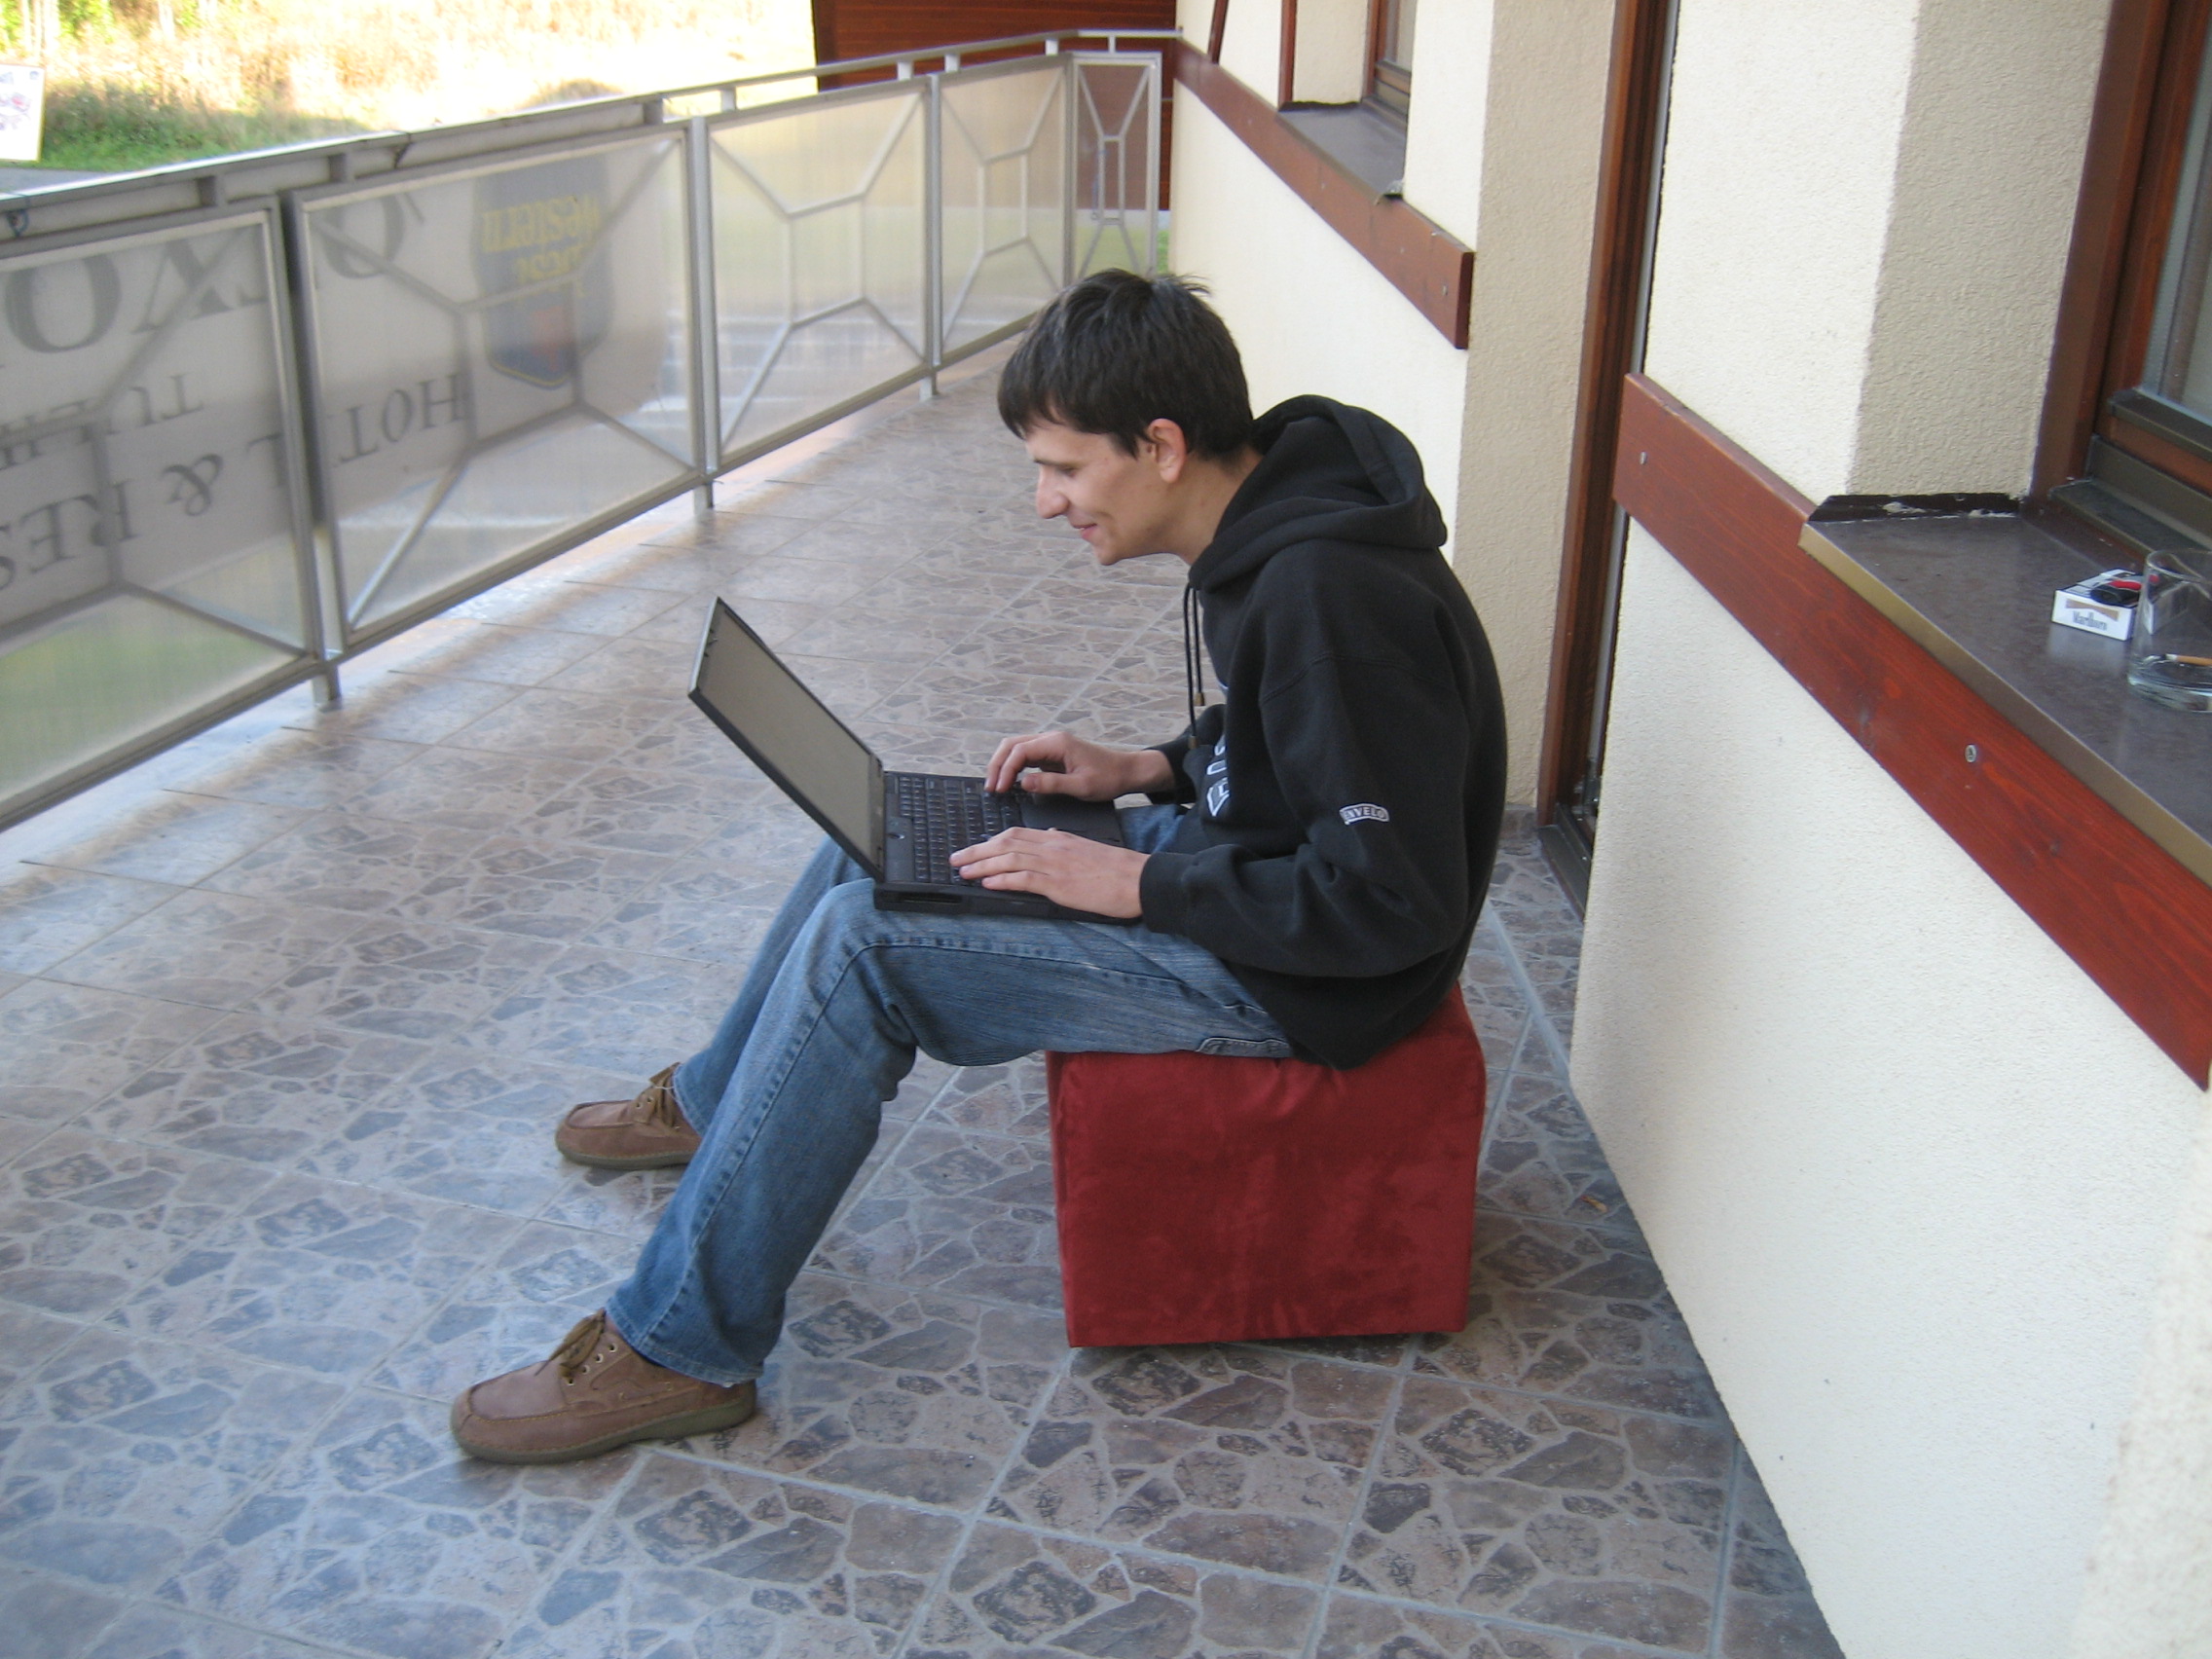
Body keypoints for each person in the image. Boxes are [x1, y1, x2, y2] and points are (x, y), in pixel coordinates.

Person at [449, 270, 1507, 1464]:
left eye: (1062, 470)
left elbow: (1388, 902)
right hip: (1244, 875)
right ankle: (714, 1107)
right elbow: (1297, 744)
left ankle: (679, 1348)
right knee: (891, 830)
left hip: (1301, 984)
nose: (1045, 503)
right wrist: (1147, 768)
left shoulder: (1329, 599)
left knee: (866, 951)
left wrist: (1132, 884)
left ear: (1161, 446)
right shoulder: (1278, 518)